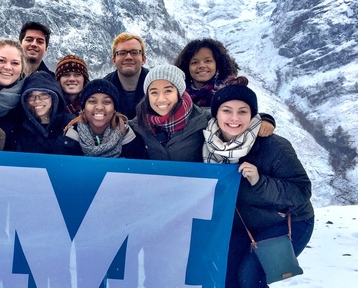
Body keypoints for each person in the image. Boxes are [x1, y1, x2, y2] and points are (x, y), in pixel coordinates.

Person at [202, 85, 314, 288]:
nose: (234, 118)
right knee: (224, 275)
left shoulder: (274, 146)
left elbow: (302, 191)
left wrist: (259, 181)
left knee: (250, 275)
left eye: (242, 112)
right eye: (227, 110)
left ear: (253, 116)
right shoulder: (207, 145)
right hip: (243, 224)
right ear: (216, 113)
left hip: (287, 221)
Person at [174, 38, 276, 136]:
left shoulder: (232, 90)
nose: (201, 65)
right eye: (195, 62)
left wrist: (264, 119)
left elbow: (247, 112)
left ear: (217, 64)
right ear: (186, 66)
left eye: (208, 61)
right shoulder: (177, 93)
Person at [130, 65, 209, 162]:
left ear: (178, 93)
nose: (161, 99)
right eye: (154, 92)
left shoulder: (205, 122)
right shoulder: (136, 126)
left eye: (168, 91)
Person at [62, 79, 145, 158]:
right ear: (83, 107)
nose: (99, 107)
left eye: (106, 102)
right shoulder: (70, 137)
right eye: (92, 101)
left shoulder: (129, 137)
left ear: (114, 108)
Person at [10, 71, 73, 154]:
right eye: (31, 96)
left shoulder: (72, 124)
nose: (37, 100)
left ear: (53, 97)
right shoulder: (15, 128)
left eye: (44, 94)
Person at [103, 33, 149, 119]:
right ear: (114, 61)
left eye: (134, 52)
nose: (128, 57)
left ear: (143, 59)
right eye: (122, 53)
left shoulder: (156, 85)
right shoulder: (103, 89)